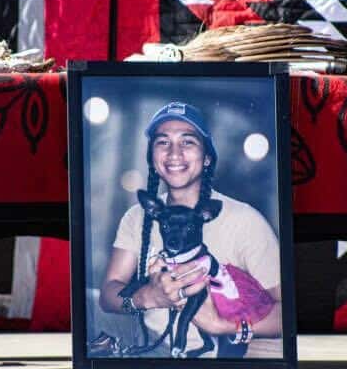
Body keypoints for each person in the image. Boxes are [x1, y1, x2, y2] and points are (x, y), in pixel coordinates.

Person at [99, 101, 283, 358]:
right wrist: (147, 297)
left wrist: (223, 326)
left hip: (207, 353)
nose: (174, 153)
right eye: (163, 142)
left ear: (207, 158)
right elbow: (108, 294)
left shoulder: (245, 220)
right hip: (149, 340)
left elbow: (288, 311)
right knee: (88, 308)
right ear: (152, 157)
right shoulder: (137, 215)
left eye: (188, 142)